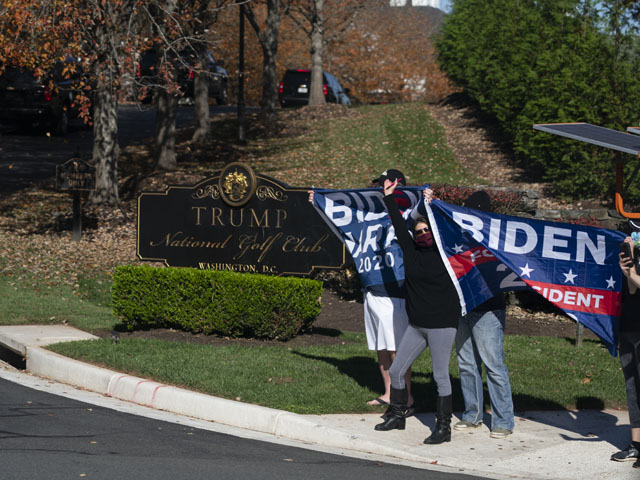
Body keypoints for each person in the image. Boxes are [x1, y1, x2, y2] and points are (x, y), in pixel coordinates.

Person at [309, 169, 412, 410]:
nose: (378, 189)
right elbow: (343, 223)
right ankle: (388, 392)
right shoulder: (368, 215)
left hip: (393, 292)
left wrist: (422, 198)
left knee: (396, 348)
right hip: (371, 290)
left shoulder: (406, 214)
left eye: (383, 184)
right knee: (381, 348)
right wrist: (319, 202)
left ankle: (406, 396)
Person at [374, 181, 460, 445]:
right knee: (398, 370)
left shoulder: (447, 254)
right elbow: (400, 226)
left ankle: (443, 428)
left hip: (442, 325)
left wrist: (430, 203)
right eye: (419, 231)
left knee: (440, 375)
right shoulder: (410, 251)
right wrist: (388, 197)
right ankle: (397, 415)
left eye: (427, 230)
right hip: (418, 325)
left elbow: (453, 228)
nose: (423, 234)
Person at [453, 190, 515, 439]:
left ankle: (503, 420)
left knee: (494, 366)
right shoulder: (457, 238)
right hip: (463, 308)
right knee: (466, 364)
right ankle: (473, 415)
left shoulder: (498, 238)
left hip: (489, 309)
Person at [612, 233, 640, 469]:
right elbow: (632, 290)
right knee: (633, 389)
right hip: (630, 327)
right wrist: (628, 270)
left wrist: (632, 274)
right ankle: (636, 444)